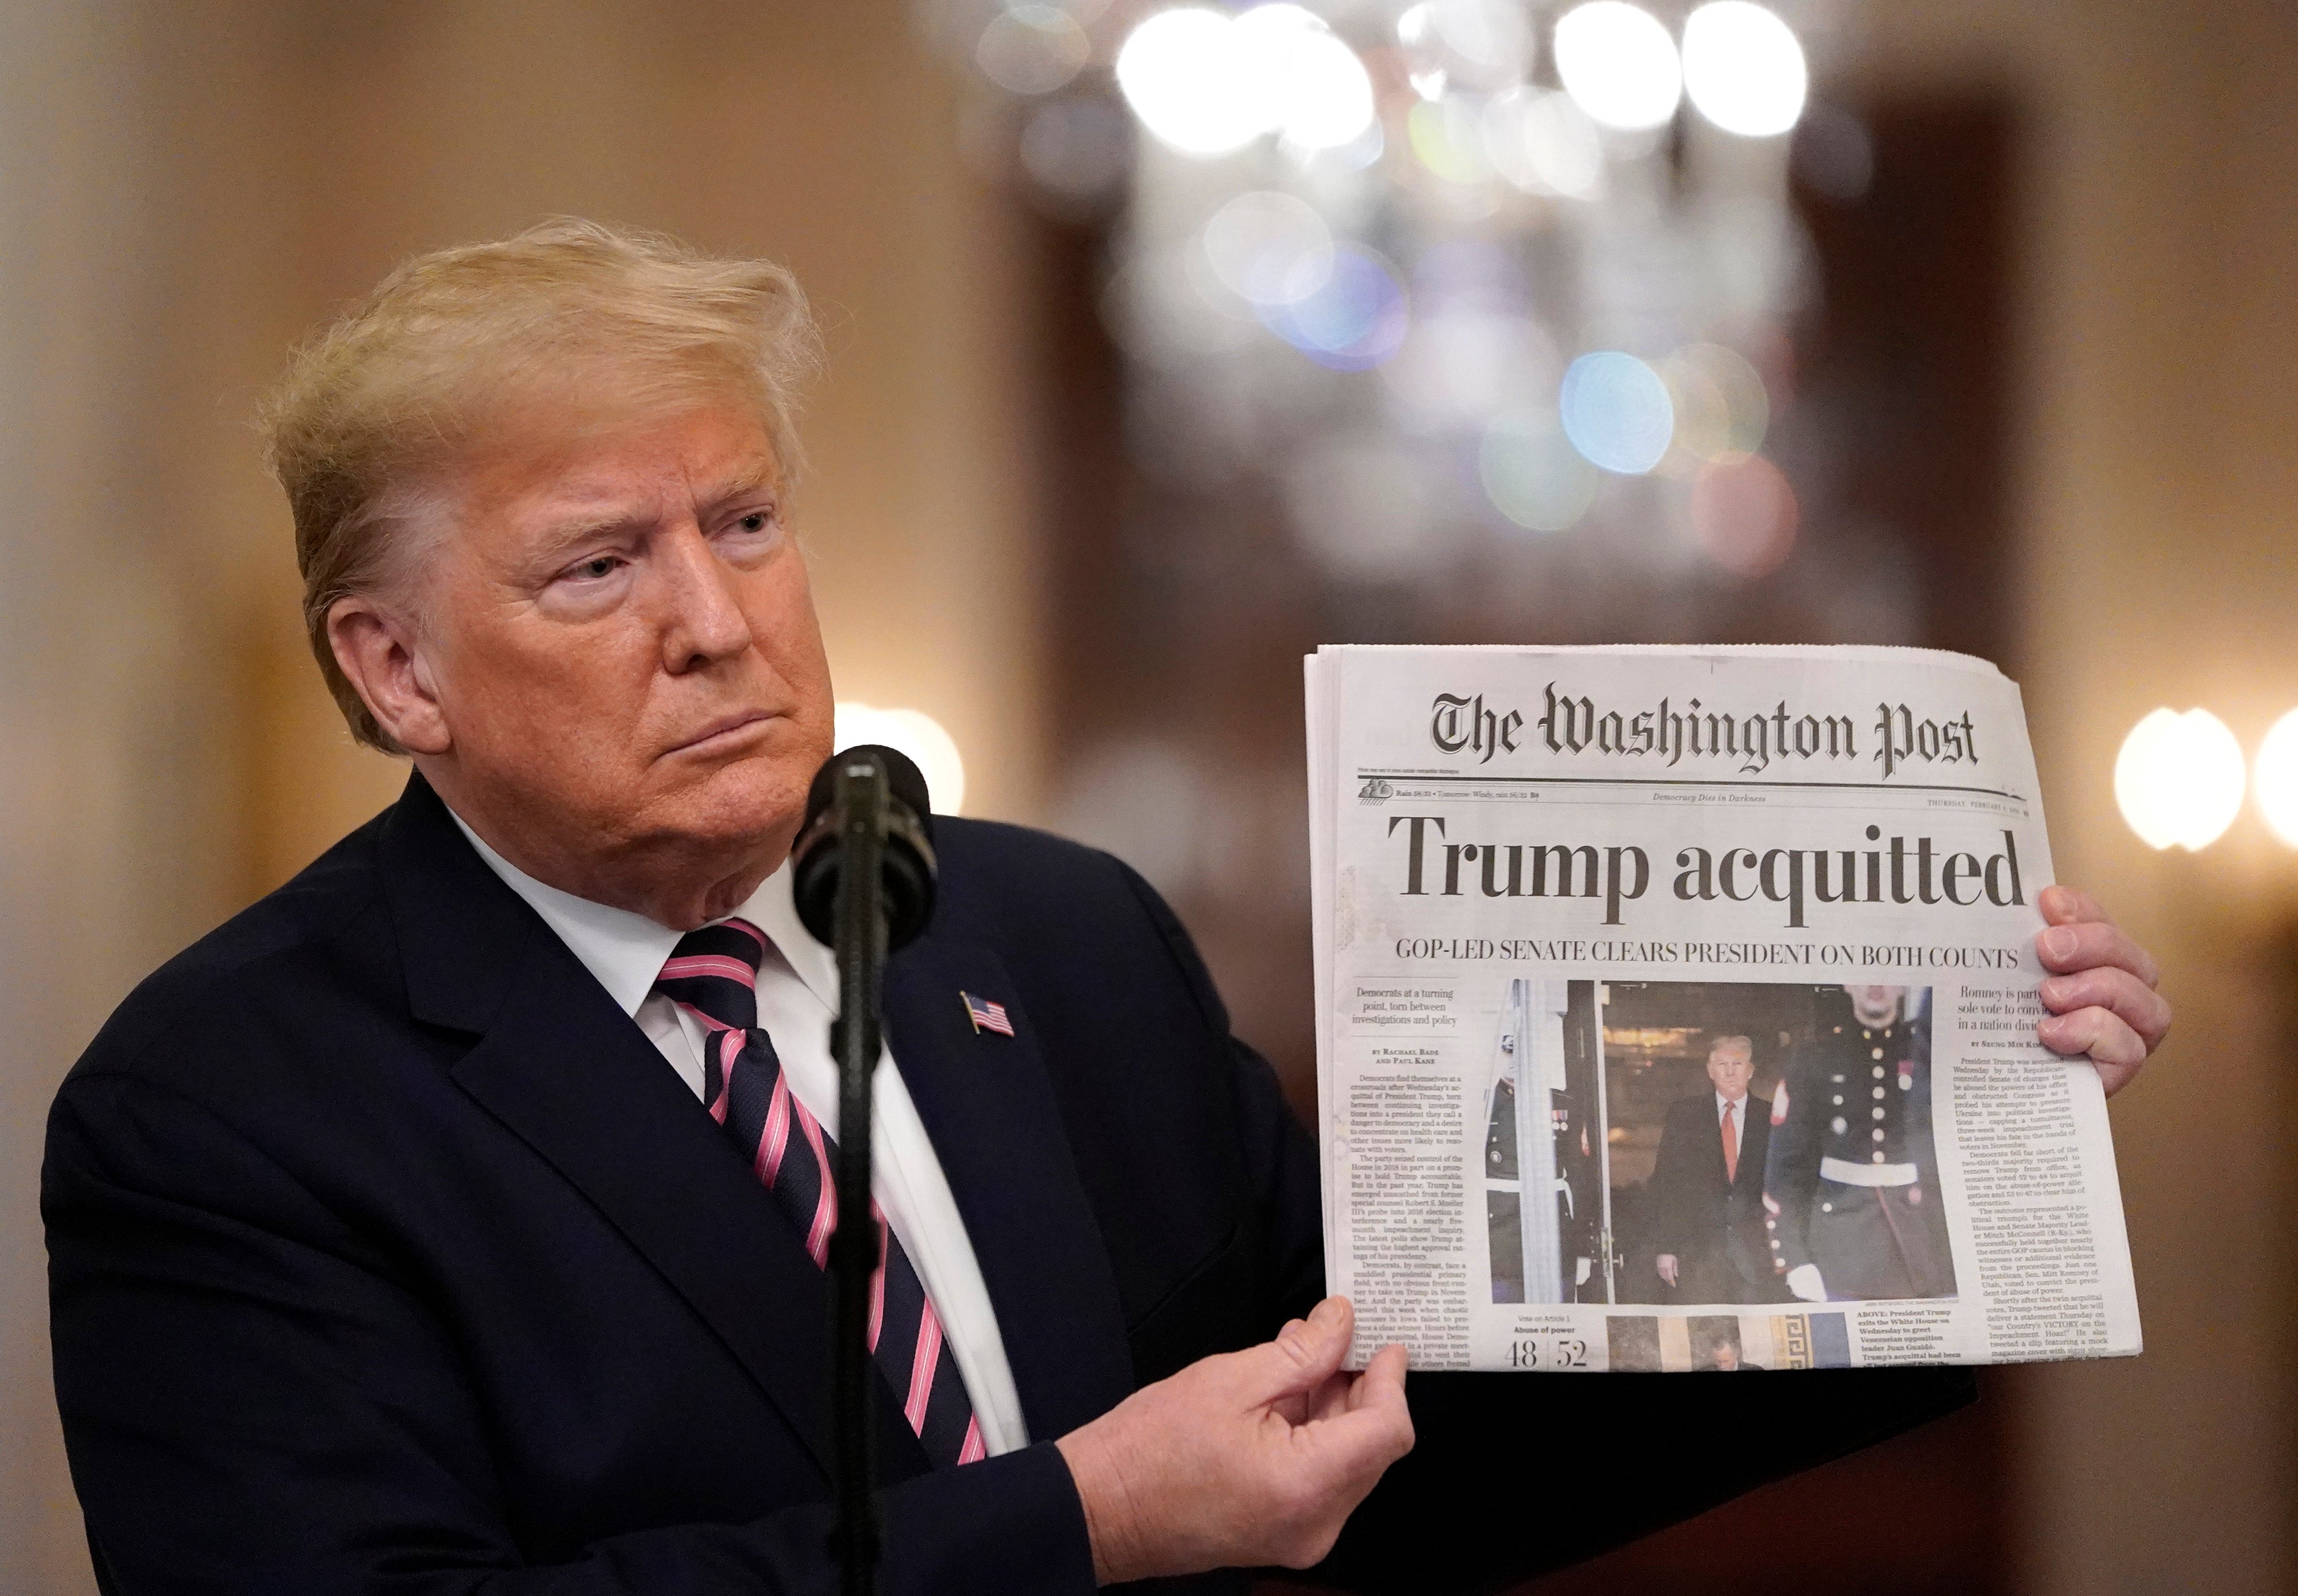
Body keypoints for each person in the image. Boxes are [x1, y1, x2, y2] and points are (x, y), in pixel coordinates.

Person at [44, 222, 2173, 1595]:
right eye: (598, 564)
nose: (715, 621)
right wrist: (1077, 1520)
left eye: (750, 518)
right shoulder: (226, 1109)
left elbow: (1395, 1431)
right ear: (395, 668)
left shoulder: (1050, 939)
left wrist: (1923, 1150)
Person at [1764, 985, 1959, 1302]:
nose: (1876, 985)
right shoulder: (1815, 1057)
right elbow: (1787, 1168)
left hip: (1922, 1241)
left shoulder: (1928, 1052)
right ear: (1847, 984)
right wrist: (1795, 1259)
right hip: (1839, 1245)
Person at [1651, 1034, 1782, 1305]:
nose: (1731, 1072)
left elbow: (1786, 1188)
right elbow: (1666, 1184)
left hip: (1757, 1257)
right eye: (1722, 1064)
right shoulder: (1685, 1115)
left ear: (1751, 1071)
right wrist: (1666, 1247)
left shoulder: (1772, 1119)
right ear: (1710, 1071)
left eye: (1738, 1063)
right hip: (1698, 1254)